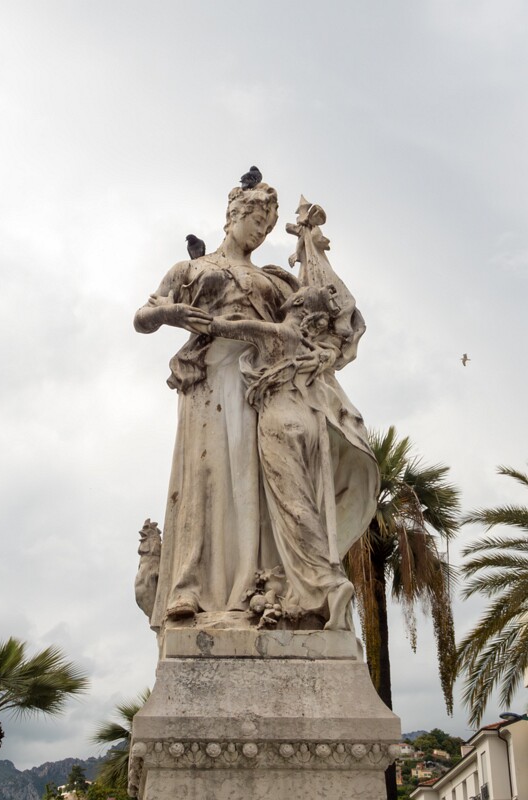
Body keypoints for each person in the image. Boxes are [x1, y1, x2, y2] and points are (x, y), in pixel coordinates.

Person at [134, 183, 295, 628]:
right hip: (205, 380)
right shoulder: (191, 268)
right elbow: (142, 318)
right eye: (256, 221)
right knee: (204, 476)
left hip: (257, 385)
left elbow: (307, 326)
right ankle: (189, 587)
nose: (260, 233)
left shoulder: (271, 280)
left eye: (267, 227)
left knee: (251, 481)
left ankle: (253, 587)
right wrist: (171, 315)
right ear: (234, 214)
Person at [209, 287, 375, 628]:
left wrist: (172, 311)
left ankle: (325, 584)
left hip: (280, 422)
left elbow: (218, 326)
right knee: (308, 502)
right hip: (311, 422)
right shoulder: (315, 349)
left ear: (298, 305)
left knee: (292, 507)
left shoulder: (275, 333)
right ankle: (314, 585)